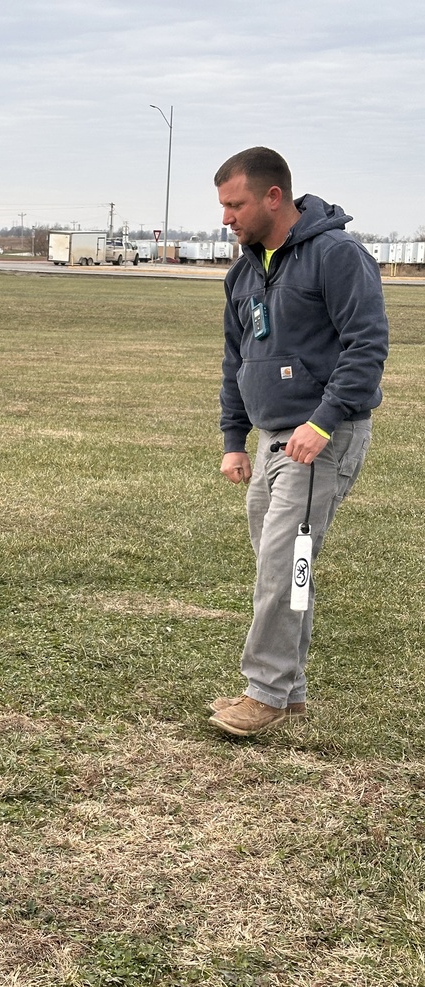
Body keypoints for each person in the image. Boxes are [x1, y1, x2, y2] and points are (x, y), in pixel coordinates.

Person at [210, 147, 388, 737]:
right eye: (223, 207)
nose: (227, 217)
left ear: (273, 196)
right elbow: (237, 358)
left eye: (235, 204)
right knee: (286, 565)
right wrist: (235, 436)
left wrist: (323, 421)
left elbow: (367, 346)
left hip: (320, 439)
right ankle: (287, 692)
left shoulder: (336, 255)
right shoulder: (243, 271)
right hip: (270, 441)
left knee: (287, 565)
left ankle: (264, 693)